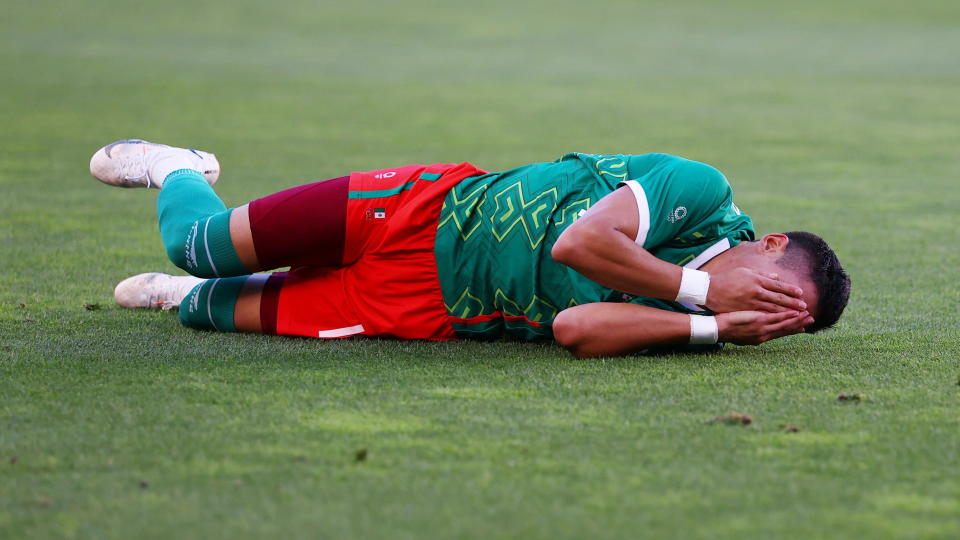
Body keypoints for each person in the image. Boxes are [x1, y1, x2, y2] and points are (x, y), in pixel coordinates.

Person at [89, 139, 850, 358]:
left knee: (201, 310)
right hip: (413, 212)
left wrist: (713, 327)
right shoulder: (703, 192)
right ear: (767, 242)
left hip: (425, 306)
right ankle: (177, 167)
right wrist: (705, 294)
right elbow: (579, 243)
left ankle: (175, 293)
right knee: (199, 246)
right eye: (774, 289)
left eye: (783, 317)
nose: (763, 307)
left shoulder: (700, 323)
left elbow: (573, 329)